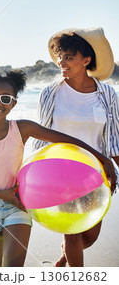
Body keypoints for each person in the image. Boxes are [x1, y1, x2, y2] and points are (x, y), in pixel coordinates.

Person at [0, 68, 116, 267]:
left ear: (13, 103)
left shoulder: (22, 128)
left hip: (18, 206)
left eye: (6, 99)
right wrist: (1, 194)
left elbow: (63, 139)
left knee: (13, 269)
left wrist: (102, 158)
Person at [33, 27, 119, 267]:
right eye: (60, 56)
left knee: (89, 236)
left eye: (69, 57)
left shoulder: (107, 94)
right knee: (72, 231)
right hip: (60, 172)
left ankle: (63, 259)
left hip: (96, 174)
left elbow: (113, 138)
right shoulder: (50, 93)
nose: (61, 61)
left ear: (86, 60)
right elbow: (42, 134)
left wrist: (114, 168)